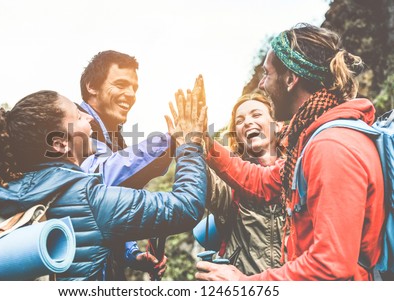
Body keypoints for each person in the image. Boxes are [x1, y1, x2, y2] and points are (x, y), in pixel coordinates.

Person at [195, 23, 385, 280]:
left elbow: (332, 265)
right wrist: (203, 143)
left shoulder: (331, 146)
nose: (261, 84)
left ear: (290, 79)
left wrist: (245, 283)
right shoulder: (312, 142)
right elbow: (262, 182)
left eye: (267, 74)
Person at [0, 89, 208, 281]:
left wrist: (129, 254)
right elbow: (186, 206)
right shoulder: (89, 198)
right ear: (60, 144)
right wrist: (190, 143)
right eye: (79, 116)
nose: (90, 117)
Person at [78, 50, 173, 279]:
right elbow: (103, 178)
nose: (130, 94)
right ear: (91, 85)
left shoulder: (115, 139)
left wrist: (133, 255)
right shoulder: (73, 126)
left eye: (134, 88)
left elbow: (116, 205)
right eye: (121, 84)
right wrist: (171, 141)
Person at [205, 92, 285, 275]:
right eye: (239, 121)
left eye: (256, 115)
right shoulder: (227, 181)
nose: (247, 122)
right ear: (238, 136)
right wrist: (190, 147)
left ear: (278, 125)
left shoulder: (299, 171)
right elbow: (207, 185)